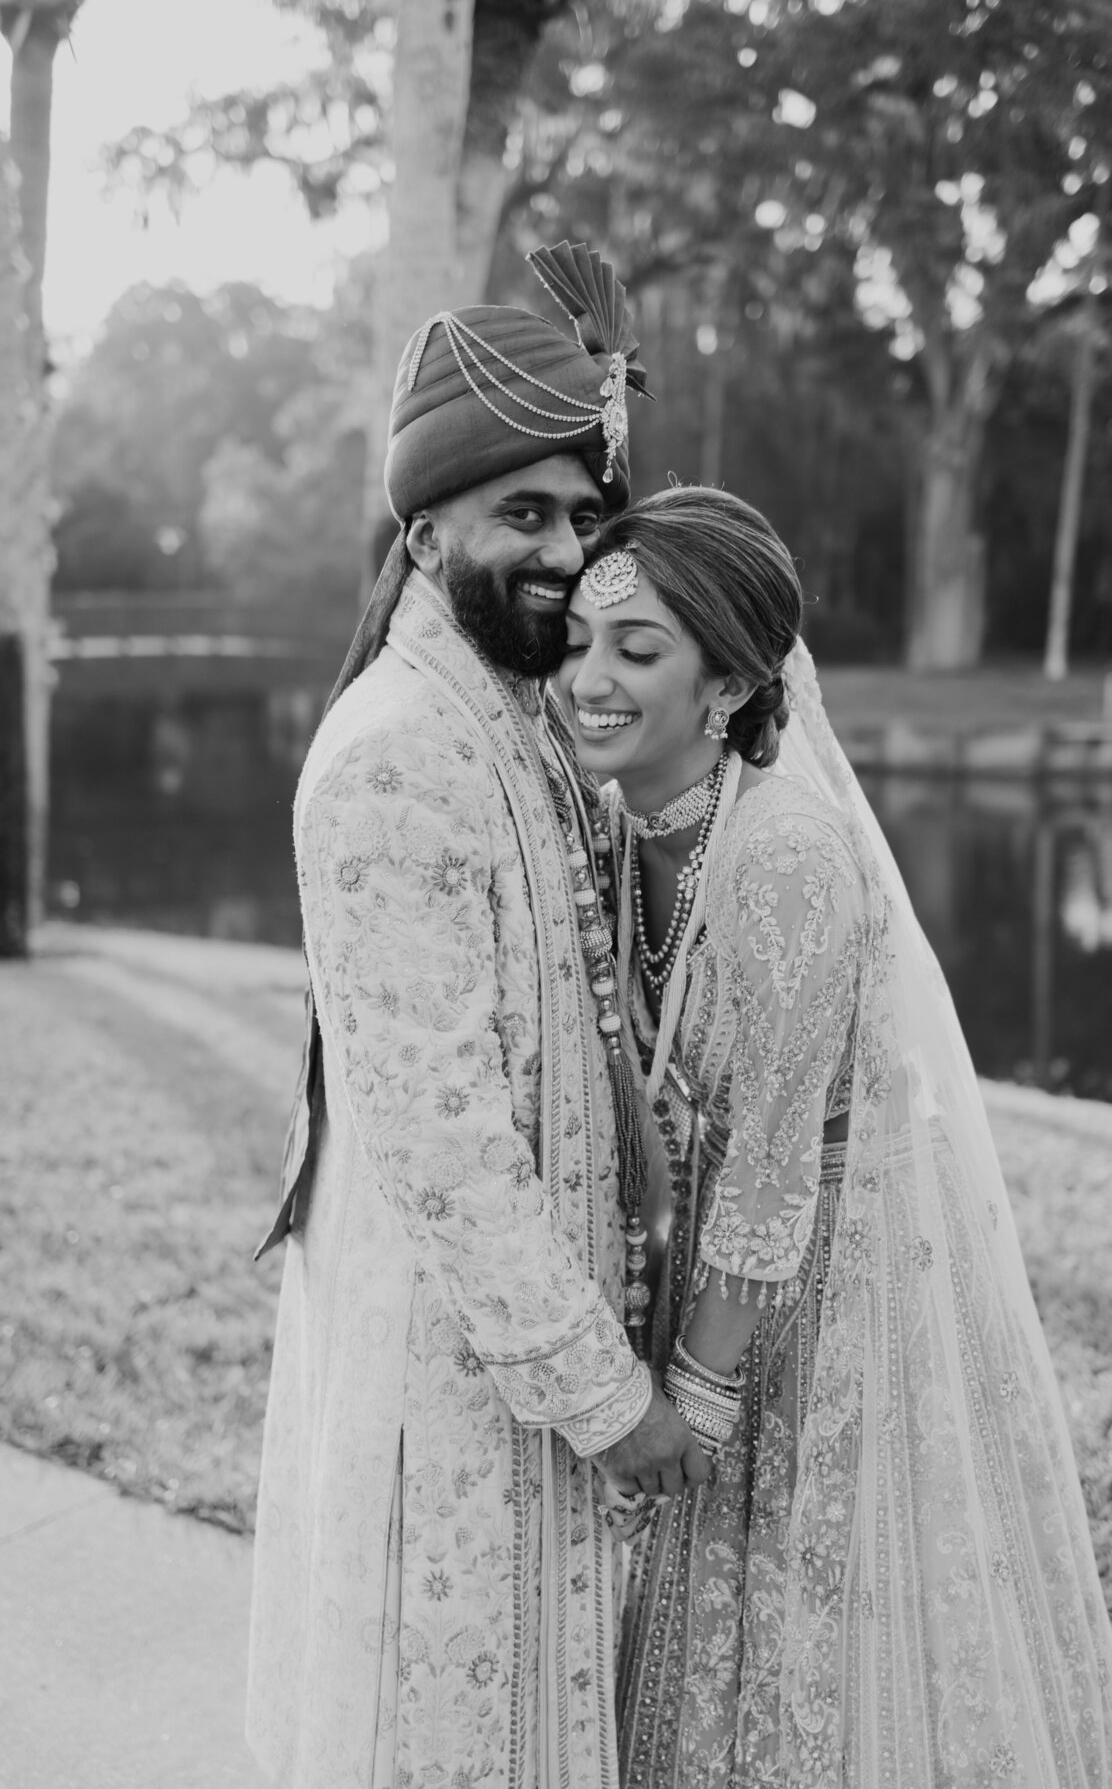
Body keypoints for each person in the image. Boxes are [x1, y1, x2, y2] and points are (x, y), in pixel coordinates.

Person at [556, 485, 1112, 1789]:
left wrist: (692, 1405)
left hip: (831, 1273)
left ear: (726, 689)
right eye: (581, 638)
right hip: (711, 1262)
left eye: (636, 650)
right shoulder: (614, 819)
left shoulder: (786, 858)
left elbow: (776, 1173)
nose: (588, 678)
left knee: (821, 1605)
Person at [245, 244, 709, 1789]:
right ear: (422, 522)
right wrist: (603, 1393)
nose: (570, 555)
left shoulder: (515, 706)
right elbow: (439, 1139)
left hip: (536, 1351)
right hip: (457, 1367)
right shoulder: (392, 752)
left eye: (586, 517)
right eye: (525, 515)